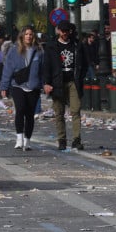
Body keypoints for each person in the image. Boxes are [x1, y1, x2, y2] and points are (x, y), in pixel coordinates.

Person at [42, 21, 87, 150]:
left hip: (73, 81)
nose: (65, 33)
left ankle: (76, 139)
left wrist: (81, 76)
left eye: (67, 31)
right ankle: (62, 140)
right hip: (57, 82)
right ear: (58, 31)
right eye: (62, 31)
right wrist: (46, 83)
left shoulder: (76, 45)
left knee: (75, 110)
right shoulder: (52, 46)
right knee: (59, 112)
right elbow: (46, 66)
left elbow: (84, 63)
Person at [0, 26, 43, 151]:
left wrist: (44, 83)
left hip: (33, 86)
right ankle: (19, 138)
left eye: (31, 34)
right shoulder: (14, 51)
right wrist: (4, 85)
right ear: (22, 36)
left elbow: (43, 70)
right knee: (20, 110)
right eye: (26, 34)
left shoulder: (39, 51)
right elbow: (8, 69)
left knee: (30, 114)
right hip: (18, 85)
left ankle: (27, 140)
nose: (29, 36)